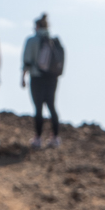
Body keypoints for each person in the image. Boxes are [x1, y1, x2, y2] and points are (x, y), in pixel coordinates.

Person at [21, 12, 64, 148]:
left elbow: (27, 61)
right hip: (52, 78)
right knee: (51, 106)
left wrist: (23, 77)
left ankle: (38, 138)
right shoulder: (54, 40)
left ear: (37, 26)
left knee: (38, 108)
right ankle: (55, 137)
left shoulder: (32, 40)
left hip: (37, 78)